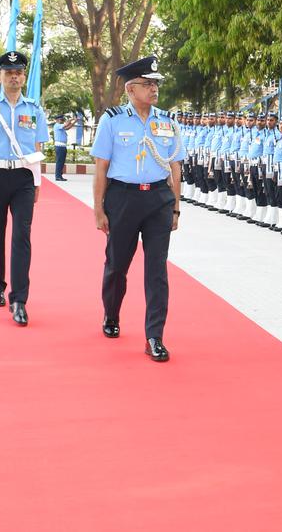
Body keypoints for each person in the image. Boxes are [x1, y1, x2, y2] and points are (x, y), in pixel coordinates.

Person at [90, 56, 185, 362]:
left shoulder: (167, 121)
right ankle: (111, 314)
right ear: (131, 89)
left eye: (156, 83)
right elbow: (101, 167)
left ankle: (154, 336)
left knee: (157, 270)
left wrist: (175, 208)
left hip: (158, 199)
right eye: (148, 84)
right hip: (123, 198)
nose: (154, 89)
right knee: (117, 265)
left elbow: (175, 165)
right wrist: (98, 209)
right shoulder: (113, 120)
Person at [0, 51, 48, 326]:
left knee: (22, 236)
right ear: (0, 77)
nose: (14, 77)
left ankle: (19, 299)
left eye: (18, 73)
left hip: (24, 178)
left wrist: (38, 183)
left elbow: (37, 150)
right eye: (9, 73)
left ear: (23, 76)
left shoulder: (34, 110)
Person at [52, 115, 76, 181]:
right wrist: (71, 119)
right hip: (59, 146)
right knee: (59, 161)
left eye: (62, 120)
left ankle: (60, 175)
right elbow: (66, 124)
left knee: (62, 162)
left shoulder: (61, 126)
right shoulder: (57, 125)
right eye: (60, 119)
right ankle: (58, 176)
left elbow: (68, 127)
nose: (62, 121)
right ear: (57, 120)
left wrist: (75, 121)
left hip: (63, 146)